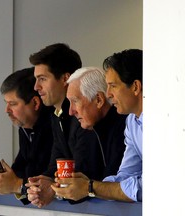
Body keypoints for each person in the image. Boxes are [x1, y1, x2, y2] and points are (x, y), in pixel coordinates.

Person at [52, 49, 143, 202]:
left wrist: (90, 187)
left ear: (135, 86)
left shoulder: (165, 122)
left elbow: (151, 186)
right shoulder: (132, 122)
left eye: (113, 86)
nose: (108, 94)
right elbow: (125, 177)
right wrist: (87, 186)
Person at [26, 43, 108, 207]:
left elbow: (83, 171)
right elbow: (54, 166)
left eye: (42, 79)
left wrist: (51, 187)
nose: (36, 87)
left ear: (65, 78)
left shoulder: (86, 116)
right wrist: (40, 184)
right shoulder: (57, 116)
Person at [0, 68, 54, 205]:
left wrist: (16, 184)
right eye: (6, 104)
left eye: (13, 104)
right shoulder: (25, 127)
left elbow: (44, 177)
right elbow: (20, 169)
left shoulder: (53, 126)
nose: (7, 110)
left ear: (35, 103)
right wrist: (3, 179)